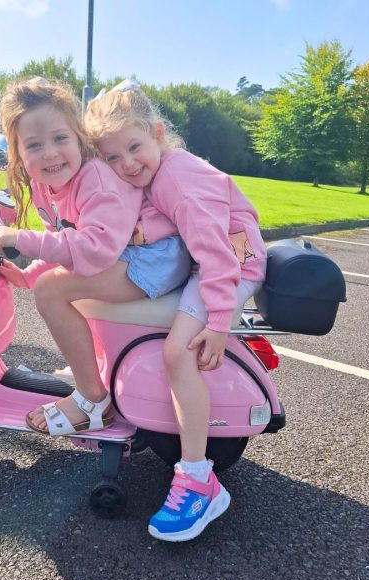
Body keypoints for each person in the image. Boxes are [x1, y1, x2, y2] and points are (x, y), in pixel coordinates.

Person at [84, 80, 267, 542]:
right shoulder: (163, 171)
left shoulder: (179, 181)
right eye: (113, 157)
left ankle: (198, 480)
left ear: (158, 133)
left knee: (177, 352)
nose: (127, 164)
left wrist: (220, 324)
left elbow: (218, 255)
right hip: (212, 257)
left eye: (134, 147)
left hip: (231, 264)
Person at [0, 77, 191, 437]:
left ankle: (91, 399)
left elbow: (93, 250)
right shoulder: (45, 184)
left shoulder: (93, 179)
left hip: (155, 258)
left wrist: (24, 242)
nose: (49, 152)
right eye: (34, 145)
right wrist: (31, 273)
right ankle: (93, 369)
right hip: (128, 253)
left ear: (79, 138)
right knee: (53, 285)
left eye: (60, 138)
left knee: (53, 291)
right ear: (18, 155)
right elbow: (63, 237)